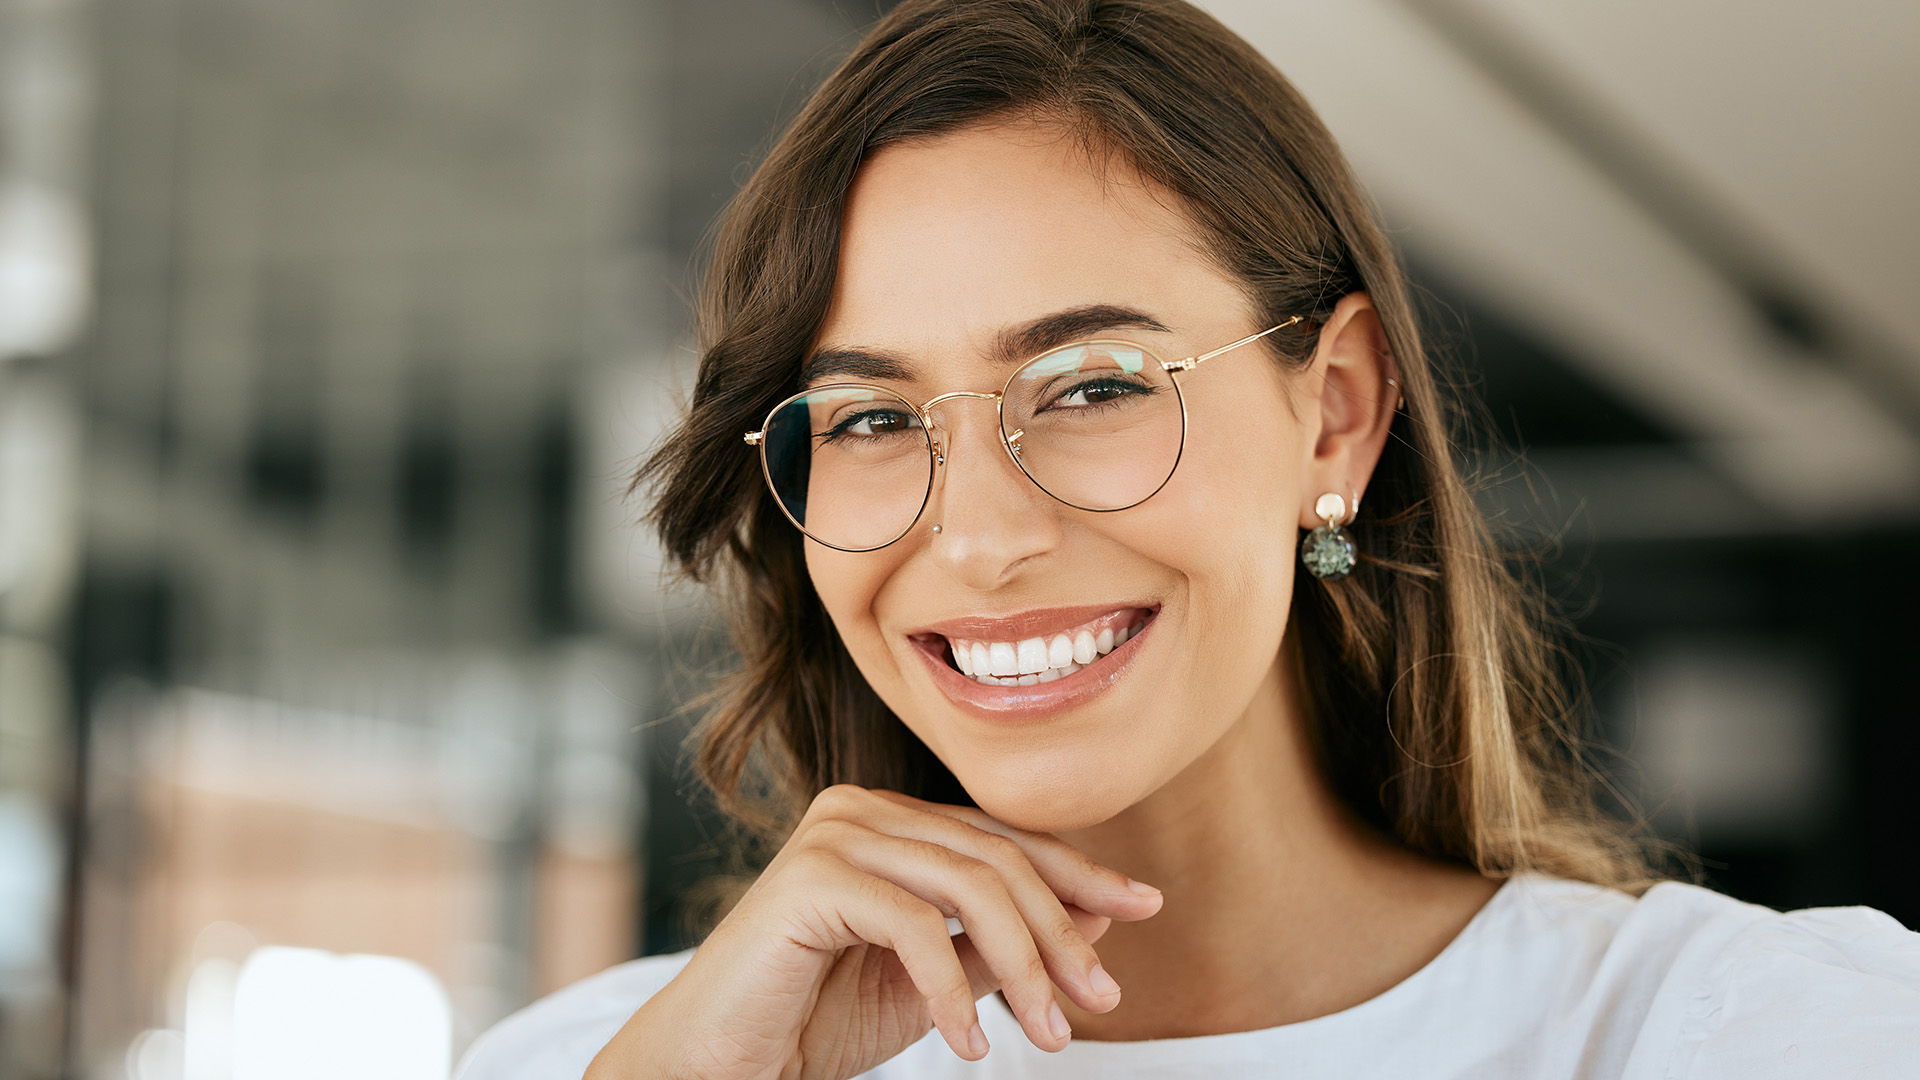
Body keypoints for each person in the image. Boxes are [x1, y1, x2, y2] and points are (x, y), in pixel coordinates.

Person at [458, 1, 1920, 1076]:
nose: (977, 538)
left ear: (1336, 417)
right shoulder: (626, 1055)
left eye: (1092, 388)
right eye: (869, 419)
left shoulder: (1738, 1033)